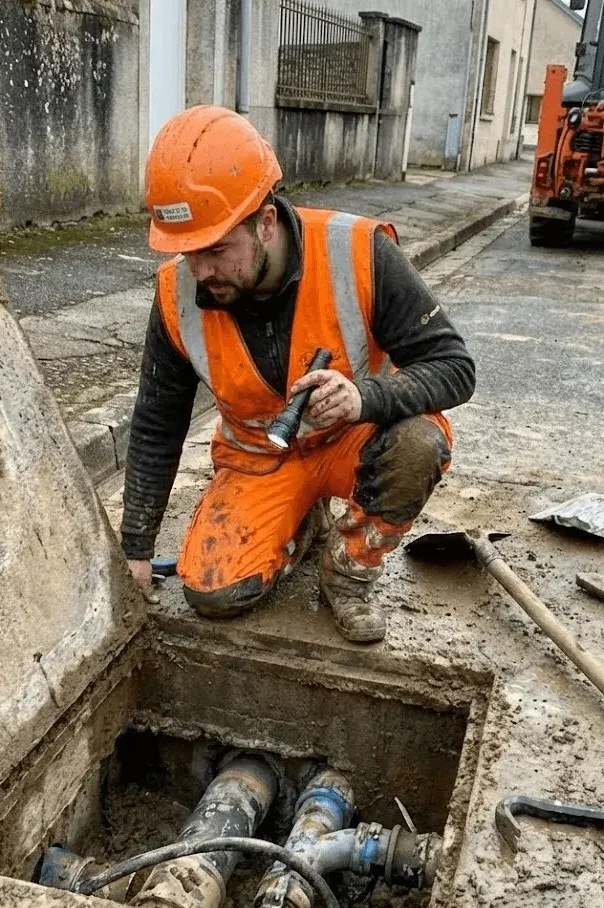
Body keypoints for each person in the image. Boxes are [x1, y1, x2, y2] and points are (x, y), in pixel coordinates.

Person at [121, 105, 475, 644]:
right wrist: (137, 549)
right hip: (260, 459)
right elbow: (156, 423)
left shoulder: (358, 252)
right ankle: (303, 522)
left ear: (265, 222)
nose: (201, 272)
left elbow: (454, 368)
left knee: (419, 443)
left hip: (350, 443)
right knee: (214, 595)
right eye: (187, 252)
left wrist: (364, 398)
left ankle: (348, 573)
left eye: (216, 249)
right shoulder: (177, 294)